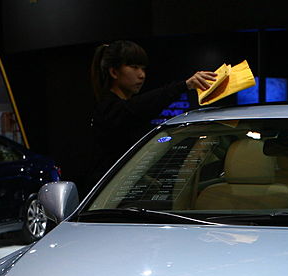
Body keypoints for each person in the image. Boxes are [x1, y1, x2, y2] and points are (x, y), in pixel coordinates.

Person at [87, 40, 216, 186]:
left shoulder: (124, 109)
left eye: (143, 69)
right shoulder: (109, 109)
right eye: (134, 67)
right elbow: (138, 107)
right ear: (114, 72)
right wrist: (185, 85)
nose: (141, 75)